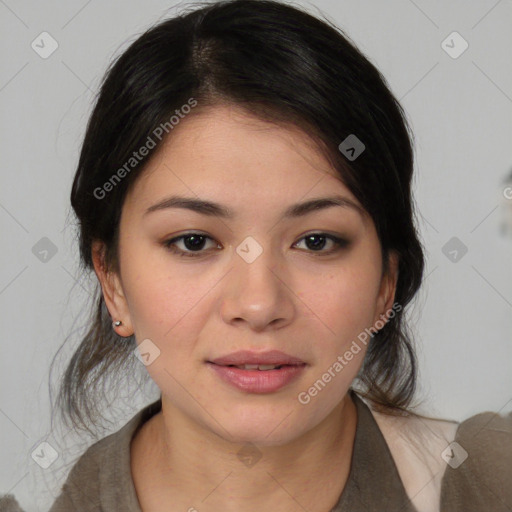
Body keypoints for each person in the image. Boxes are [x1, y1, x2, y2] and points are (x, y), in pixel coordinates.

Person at [46, 1, 512, 511]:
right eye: (194, 241)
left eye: (316, 241)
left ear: (387, 282)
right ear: (112, 281)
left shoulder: (489, 482)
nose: (260, 304)